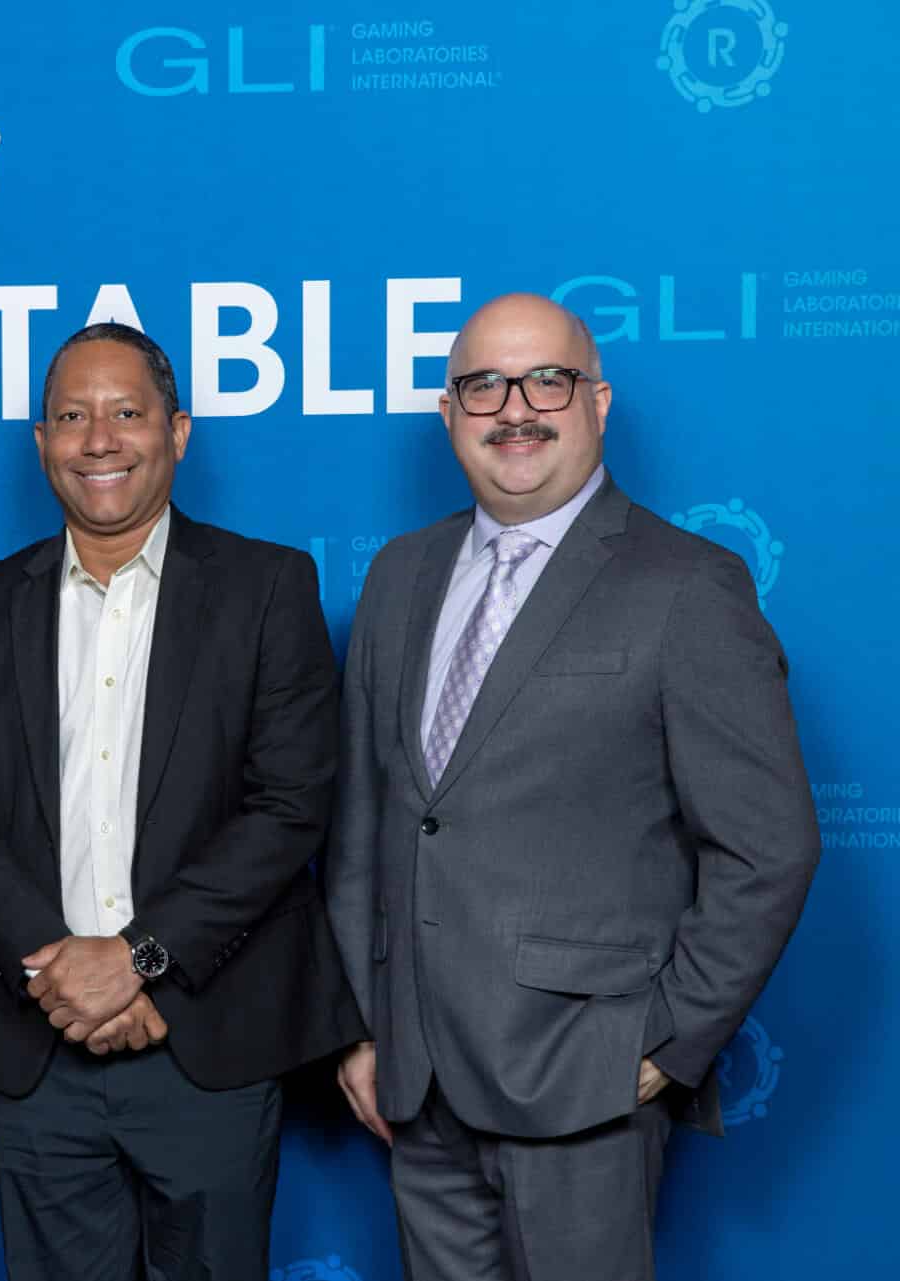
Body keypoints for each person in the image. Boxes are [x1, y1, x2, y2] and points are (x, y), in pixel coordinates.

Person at [326, 292, 820, 1280]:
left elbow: (769, 846)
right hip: (417, 1083)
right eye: (484, 386)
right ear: (449, 414)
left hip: (584, 1079)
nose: (516, 409)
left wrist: (664, 1042)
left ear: (597, 400)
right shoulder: (398, 576)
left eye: (547, 380)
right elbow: (365, 828)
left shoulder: (687, 584)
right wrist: (367, 1025)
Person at [0, 322, 364, 1280]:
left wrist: (138, 962)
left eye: (126, 412)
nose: (100, 439)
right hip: (36, 1048)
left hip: (208, 1041)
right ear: (42, 441)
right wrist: (65, 973)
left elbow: (289, 807)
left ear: (177, 432)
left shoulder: (268, 586)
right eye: (73, 417)